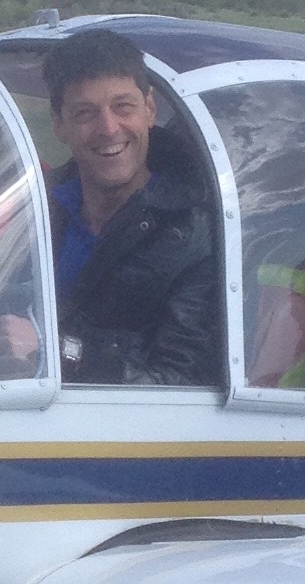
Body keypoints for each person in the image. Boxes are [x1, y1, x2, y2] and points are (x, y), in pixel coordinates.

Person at [40, 27, 219, 385]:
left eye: (123, 107)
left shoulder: (194, 238)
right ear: (59, 125)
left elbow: (180, 383)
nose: (108, 129)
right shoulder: (37, 210)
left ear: (150, 109)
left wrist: (56, 350)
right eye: (85, 113)